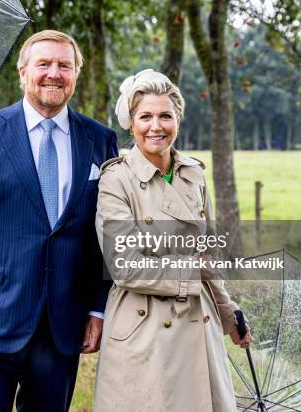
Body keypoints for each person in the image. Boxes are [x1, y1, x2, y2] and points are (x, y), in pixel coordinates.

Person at [0, 30, 118, 412]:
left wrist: (98, 309)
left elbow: (105, 236)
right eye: (43, 63)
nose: (54, 73)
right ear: (23, 72)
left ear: (76, 73)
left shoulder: (100, 140)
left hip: (62, 322)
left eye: (64, 65)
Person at [94, 69, 252, 412]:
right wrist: (188, 273)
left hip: (198, 319)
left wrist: (229, 311)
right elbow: (125, 267)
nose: (156, 126)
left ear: (177, 119)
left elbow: (205, 254)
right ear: (131, 122)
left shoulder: (193, 174)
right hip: (144, 326)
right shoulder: (115, 179)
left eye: (165, 115)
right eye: (145, 116)